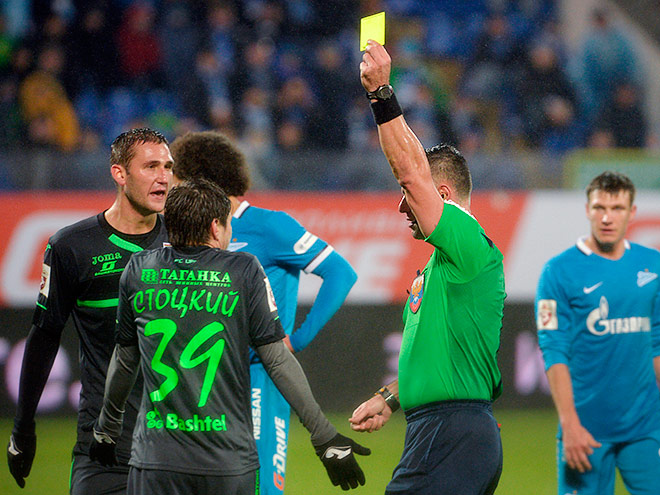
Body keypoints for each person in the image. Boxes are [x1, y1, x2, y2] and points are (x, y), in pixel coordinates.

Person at [87, 178, 370, 494]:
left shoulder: (139, 269)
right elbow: (277, 360)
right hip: (226, 460)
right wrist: (324, 436)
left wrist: (107, 427)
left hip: (156, 460)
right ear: (215, 227)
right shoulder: (243, 270)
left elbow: (125, 361)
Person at [349, 40, 504, 494]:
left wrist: (381, 94)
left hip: (452, 432)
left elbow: (410, 173)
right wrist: (389, 398)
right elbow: (438, 357)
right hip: (442, 431)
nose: (402, 206)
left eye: (409, 197)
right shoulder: (442, 266)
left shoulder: (468, 240)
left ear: (443, 195)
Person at [169, 130, 357, 495]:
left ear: (200, 180)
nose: (171, 188)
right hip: (203, 379)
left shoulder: (270, 226)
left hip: (259, 376)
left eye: (178, 179)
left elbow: (340, 273)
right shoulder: (186, 231)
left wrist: (297, 339)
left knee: (260, 487)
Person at [7, 127, 173, 493]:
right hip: (103, 446)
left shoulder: (185, 240)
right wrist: (23, 427)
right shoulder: (72, 247)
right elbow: (44, 336)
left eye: (168, 166)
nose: (163, 176)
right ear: (119, 174)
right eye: (151, 166)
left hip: (178, 447)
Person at [535, 171, 660, 495]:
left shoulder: (653, 265)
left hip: (646, 427)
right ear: (587, 210)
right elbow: (554, 351)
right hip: (586, 430)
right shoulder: (558, 272)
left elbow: (657, 344)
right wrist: (570, 425)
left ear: (632, 212)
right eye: (600, 207)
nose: (607, 217)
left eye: (617, 208)